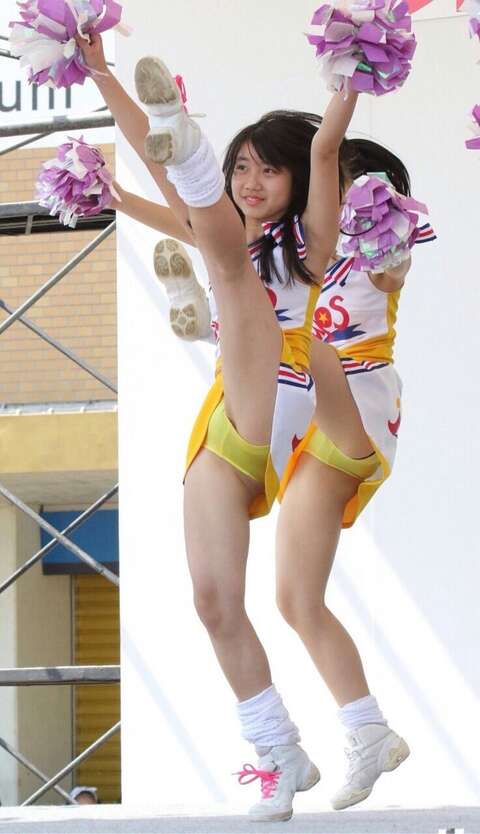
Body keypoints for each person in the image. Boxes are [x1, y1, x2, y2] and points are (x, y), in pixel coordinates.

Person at [76, 30, 360, 822]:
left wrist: (353, 70)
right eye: (239, 167)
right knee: (212, 601)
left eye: (268, 169)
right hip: (225, 414)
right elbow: (157, 182)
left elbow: (327, 148)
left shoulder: (310, 241)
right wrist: (100, 74)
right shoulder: (225, 228)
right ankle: (277, 750)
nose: (254, 180)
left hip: (281, 383)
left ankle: (185, 142)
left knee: (227, 262)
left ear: (295, 179)